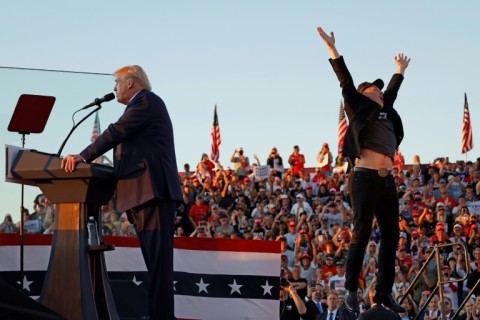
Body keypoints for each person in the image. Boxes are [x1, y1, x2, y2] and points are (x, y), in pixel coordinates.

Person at [61, 65, 182, 320]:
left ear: (131, 83)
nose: (114, 88)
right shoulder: (141, 105)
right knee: (155, 265)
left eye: (117, 82)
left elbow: (116, 132)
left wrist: (83, 157)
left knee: (159, 266)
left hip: (153, 194)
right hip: (143, 195)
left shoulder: (146, 101)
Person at [317, 26, 410, 313]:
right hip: (364, 178)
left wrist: (400, 70)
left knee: (392, 236)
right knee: (360, 235)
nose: (381, 92)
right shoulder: (357, 106)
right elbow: (344, 79)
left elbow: (392, 90)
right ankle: (351, 290)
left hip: (386, 180)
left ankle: (383, 293)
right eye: (376, 89)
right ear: (364, 93)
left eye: (382, 91)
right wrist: (333, 49)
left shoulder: (386, 108)